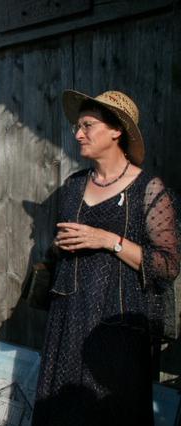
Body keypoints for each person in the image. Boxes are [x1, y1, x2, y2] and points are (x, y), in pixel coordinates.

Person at [33, 90, 180, 425]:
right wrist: (61, 246)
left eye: (87, 125)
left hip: (117, 323)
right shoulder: (72, 186)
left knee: (110, 411)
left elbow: (167, 266)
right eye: (77, 126)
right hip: (68, 317)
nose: (77, 133)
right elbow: (62, 251)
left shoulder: (148, 190)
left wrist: (107, 239)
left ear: (117, 131)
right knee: (62, 408)